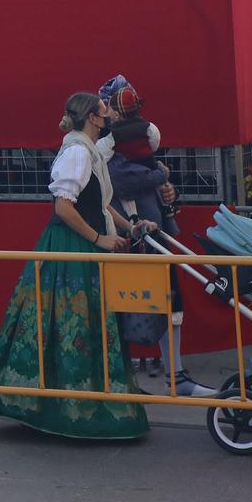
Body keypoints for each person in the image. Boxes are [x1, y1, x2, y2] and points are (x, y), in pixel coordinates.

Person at [0, 92, 149, 441]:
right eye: (104, 110)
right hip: (73, 247)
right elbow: (64, 207)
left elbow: (99, 202)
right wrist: (99, 239)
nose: (110, 114)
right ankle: (68, 407)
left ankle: (67, 400)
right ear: (94, 119)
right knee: (72, 322)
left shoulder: (87, 150)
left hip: (80, 242)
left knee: (73, 323)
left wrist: (132, 225)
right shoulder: (79, 152)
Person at [100, 76, 213, 399]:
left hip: (156, 231)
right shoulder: (109, 147)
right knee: (124, 306)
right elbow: (121, 182)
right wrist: (160, 175)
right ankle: (121, 378)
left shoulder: (134, 143)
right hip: (130, 235)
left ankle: (175, 373)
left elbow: (149, 179)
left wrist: (167, 190)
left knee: (169, 301)